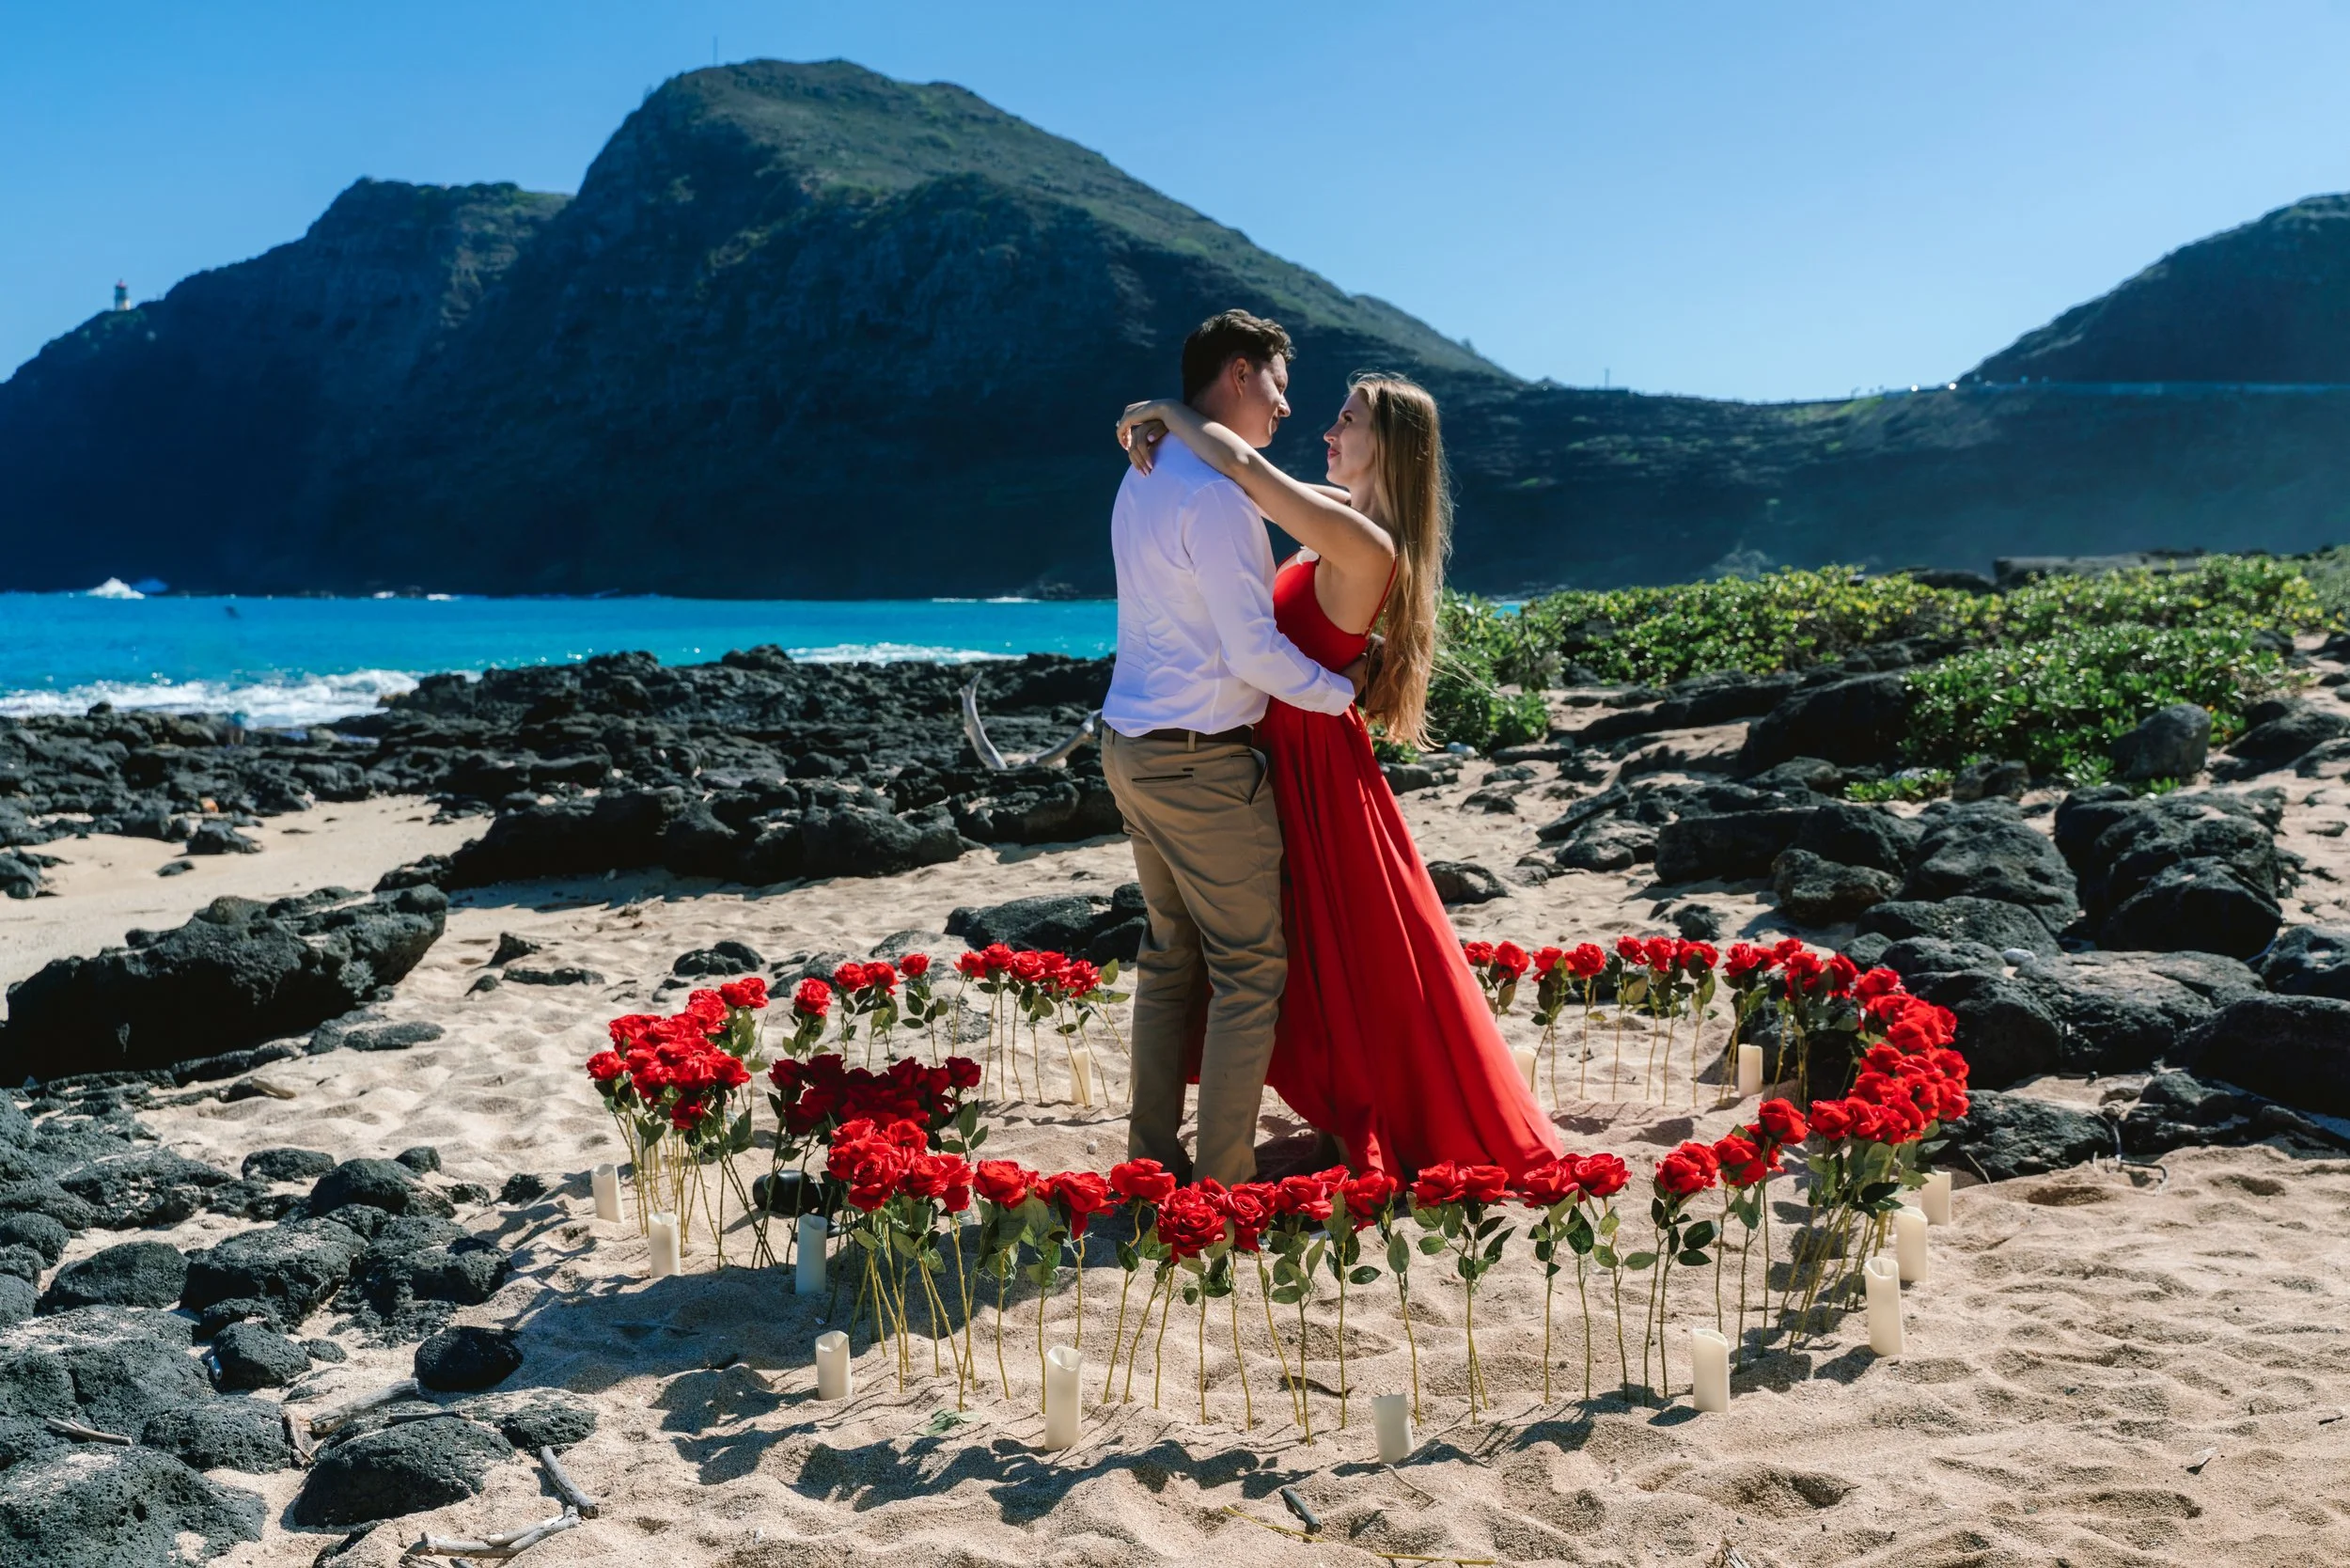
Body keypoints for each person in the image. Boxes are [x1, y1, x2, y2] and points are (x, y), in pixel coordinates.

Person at [1117, 364, 1559, 1180]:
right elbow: (1241, 491)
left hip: (1310, 763)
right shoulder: (1339, 522)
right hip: (1288, 749)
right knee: (1317, 949)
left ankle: (1356, 1115)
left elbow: (1242, 467)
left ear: (1388, 445)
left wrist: (1170, 410)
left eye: (1347, 420)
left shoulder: (1362, 540)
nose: (1327, 430)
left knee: (1347, 949)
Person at [1099, 310, 1371, 1186]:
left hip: (1128, 747)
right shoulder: (1213, 495)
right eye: (1281, 387)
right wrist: (1343, 692)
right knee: (1250, 971)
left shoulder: (1146, 472)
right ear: (1242, 374)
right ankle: (1222, 1180)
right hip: (1198, 762)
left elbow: (1278, 495)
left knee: (1167, 961)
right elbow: (1254, 652)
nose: (1287, 407)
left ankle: (1151, 1160)